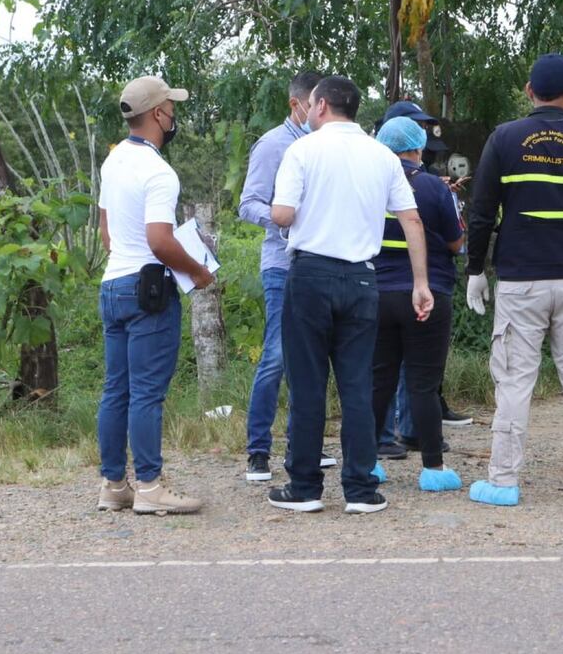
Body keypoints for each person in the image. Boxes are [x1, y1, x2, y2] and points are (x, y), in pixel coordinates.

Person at [267, 76, 433, 514]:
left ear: (319, 106)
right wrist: (421, 284)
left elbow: (283, 213)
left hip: (310, 276)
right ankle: (360, 488)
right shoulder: (382, 156)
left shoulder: (301, 150)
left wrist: (287, 212)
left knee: (307, 385)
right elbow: (411, 220)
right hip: (363, 279)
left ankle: (304, 486)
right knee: (358, 385)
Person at [464, 53, 563, 506]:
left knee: (514, 382)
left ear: (529, 92)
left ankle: (503, 482)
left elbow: (480, 213)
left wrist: (476, 269)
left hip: (521, 282)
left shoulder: (505, 138)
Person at [96, 75, 213, 515]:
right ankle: (149, 486)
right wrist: (198, 271)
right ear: (159, 114)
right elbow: (160, 241)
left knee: (116, 391)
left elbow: (107, 235)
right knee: (147, 393)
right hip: (149, 289)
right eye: (172, 107)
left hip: (113, 284)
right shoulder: (159, 171)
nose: (174, 115)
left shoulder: (113, 162)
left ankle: (114, 485)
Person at [237, 71, 339, 482]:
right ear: (297, 104)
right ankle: (258, 451)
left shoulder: (327, 146)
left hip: (321, 262)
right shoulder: (274, 144)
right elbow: (248, 203)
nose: (319, 111)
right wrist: (285, 223)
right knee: (277, 356)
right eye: (314, 104)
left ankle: (304, 447)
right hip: (283, 264)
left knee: (312, 358)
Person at [370, 117, 465, 491]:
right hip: (427, 292)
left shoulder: (367, 184)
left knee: (379, 381)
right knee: (423, 384)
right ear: (418, 149)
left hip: (375, 293)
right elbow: (457, 243)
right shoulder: (432, 188)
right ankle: (433, 469)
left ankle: (368, 464)